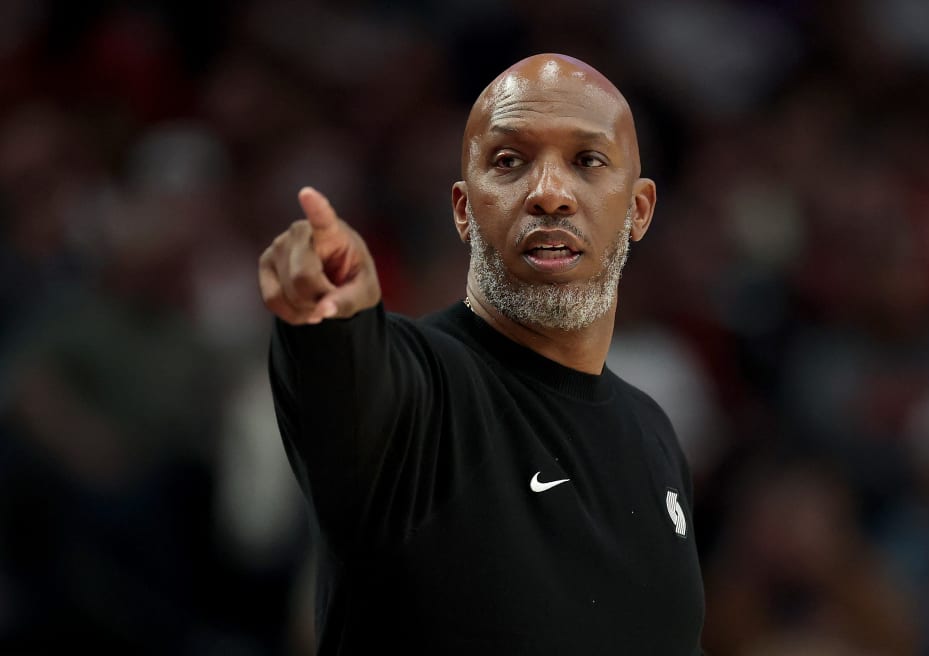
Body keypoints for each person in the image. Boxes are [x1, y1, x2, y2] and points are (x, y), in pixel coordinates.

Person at [258, 53, 705, 654]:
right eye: (510, 161)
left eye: (587, 160)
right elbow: (345, 378)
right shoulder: (420, 390)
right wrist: (332, 319)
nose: (549, 194)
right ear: (464, 210)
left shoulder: (654, 434)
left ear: (639, 210)